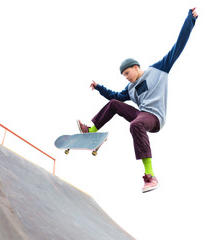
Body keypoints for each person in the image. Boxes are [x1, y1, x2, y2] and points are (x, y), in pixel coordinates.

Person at [77, 8, 198, 193]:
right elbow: (115, 97)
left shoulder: (158, 69)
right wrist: (99, 87)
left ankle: (150, 176)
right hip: (140, 114)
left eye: (127, 73)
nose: (126, 78)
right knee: (114, 104)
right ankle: (91, 133)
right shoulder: (130, 88)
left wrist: (190, 20)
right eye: (123, 76)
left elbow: (178, 46)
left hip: (154, 117)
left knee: (135, 125)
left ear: (135, 67)